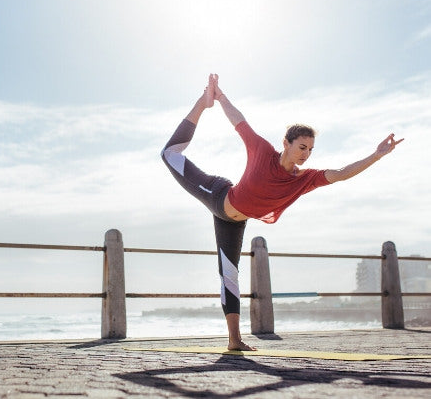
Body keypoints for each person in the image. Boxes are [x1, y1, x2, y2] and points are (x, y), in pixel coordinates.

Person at [161, 74, 403, 350]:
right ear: (286, 143)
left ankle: (234, 341)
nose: (306, 154)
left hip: (234, 221)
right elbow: (239, 122)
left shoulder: (304, 178)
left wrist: (376, 155)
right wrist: (218, 98)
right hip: (219, 197)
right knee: (169, 154)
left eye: (310, 149)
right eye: (302, 147)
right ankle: (200, 105)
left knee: (229, 273)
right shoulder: (262, 150)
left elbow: (341, 174)